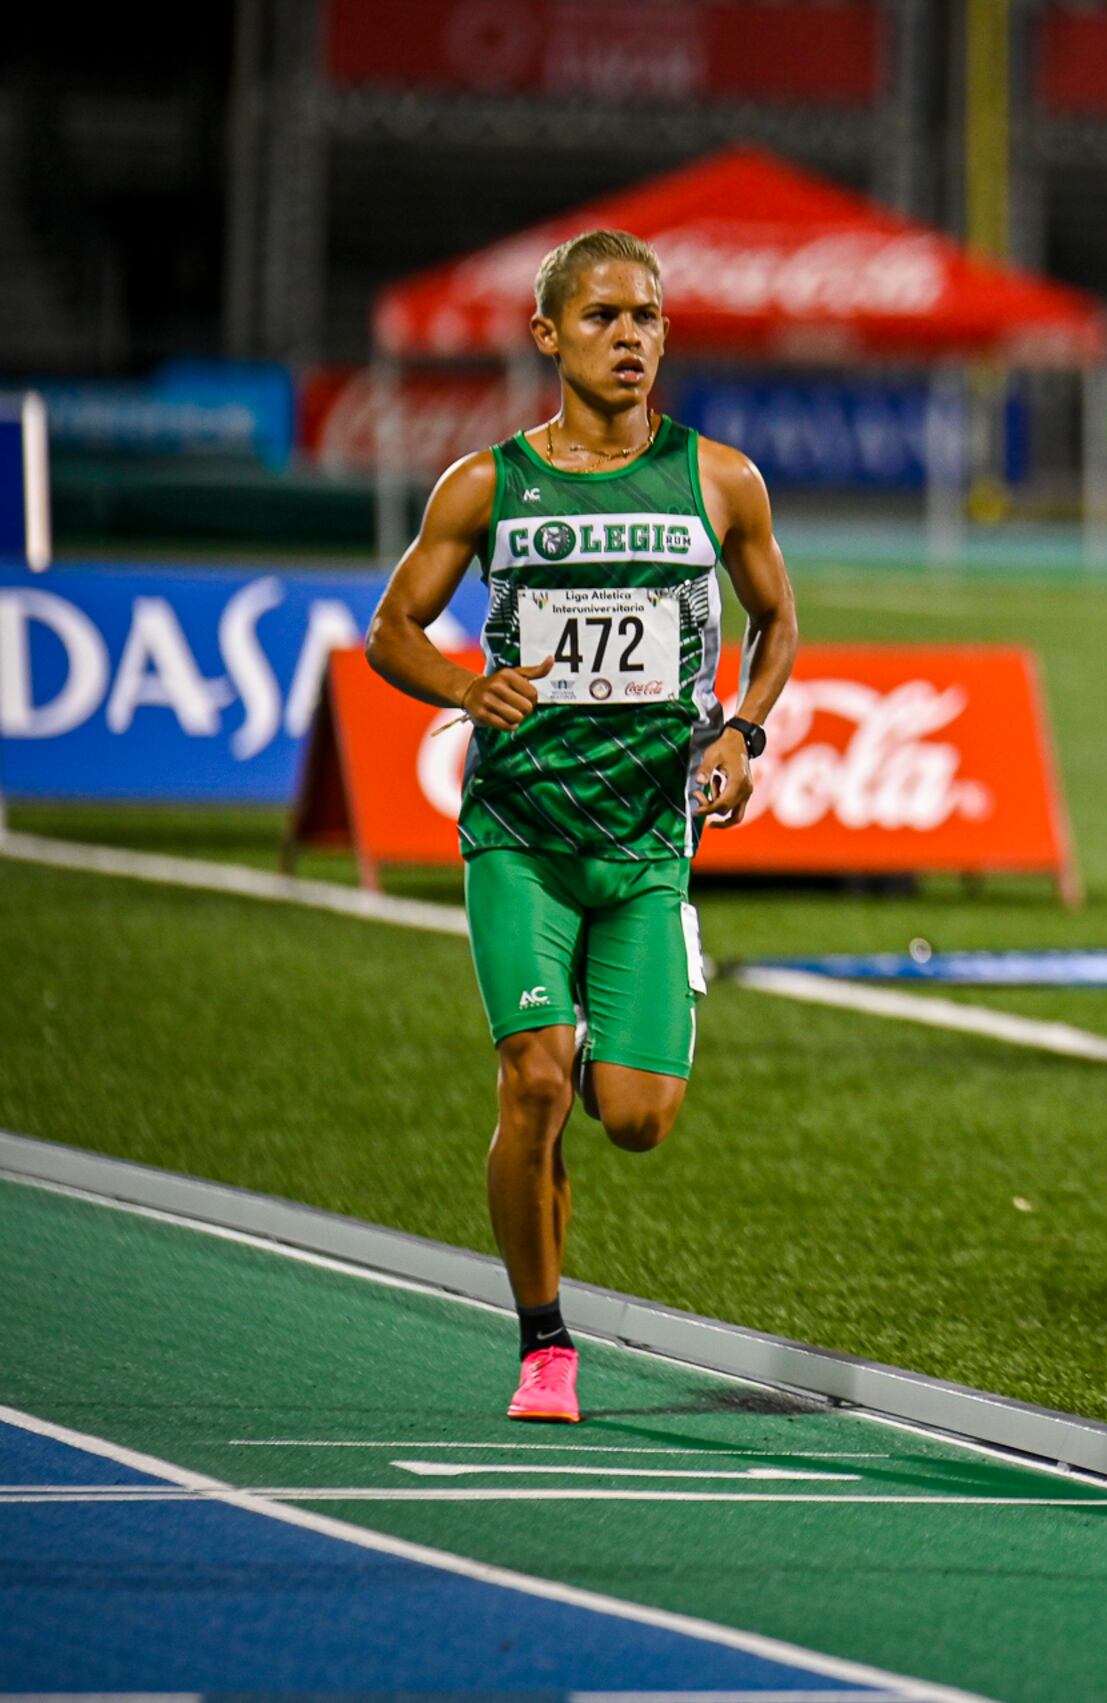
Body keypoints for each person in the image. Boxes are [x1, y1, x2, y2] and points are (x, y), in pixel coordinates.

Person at [366, 229, 798, 1424]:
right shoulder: (487, 484)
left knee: (639, 1118)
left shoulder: (721, 479)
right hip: (521, 833)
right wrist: (464, 687)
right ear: (550, 336)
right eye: (605, 316)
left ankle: (631, 1014)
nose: (631, 337)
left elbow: (775, 623)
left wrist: (740, 733)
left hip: (650, 843)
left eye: (648, 317)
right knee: (534, 1081)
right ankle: (544, 1341)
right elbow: (391, 629)